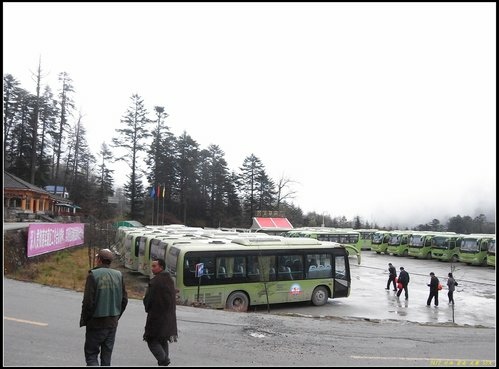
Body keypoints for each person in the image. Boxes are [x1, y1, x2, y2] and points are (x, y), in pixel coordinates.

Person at [80, 248, 128, 366]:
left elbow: (88, 302)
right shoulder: (118, 275)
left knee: (91, 355)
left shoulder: (93, 275)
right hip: (112, 323)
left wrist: (86, 319)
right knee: (106, 358)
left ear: (99, 260)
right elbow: (124, 300)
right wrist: (116, 316)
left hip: (96, 322)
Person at [143, 258, 178, 366]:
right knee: (162, 340)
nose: (152, 268)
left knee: (151, 340)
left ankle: (164, 360)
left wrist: (147, 305)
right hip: (169, 317)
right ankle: (164, 362)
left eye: (154, 266)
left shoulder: (155, 282)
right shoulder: (169, 280)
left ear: (161, 267)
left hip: (156, 318)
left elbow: (148, 300)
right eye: (152, 266)